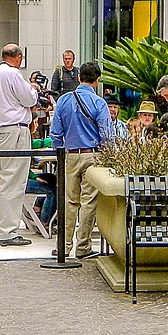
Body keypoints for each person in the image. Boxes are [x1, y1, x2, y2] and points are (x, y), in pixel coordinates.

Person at [49, 60, 111, 260]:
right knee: (89, 202)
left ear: (78, 77)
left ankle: (64, 245)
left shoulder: (64, 100)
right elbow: (107, 134)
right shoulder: (99, 103)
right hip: (93, 154)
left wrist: (59, 152)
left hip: (70, 154)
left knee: (69, 201)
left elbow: (55, 133)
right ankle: (83, 246)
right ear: (97, 80)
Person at [0, 43, 39, 246]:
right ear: (19, 58)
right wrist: (33, 89)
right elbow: (28, 99)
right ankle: (7, 231)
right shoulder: (13, 74)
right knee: (13, 181)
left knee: (1, 178)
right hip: (14, 130)